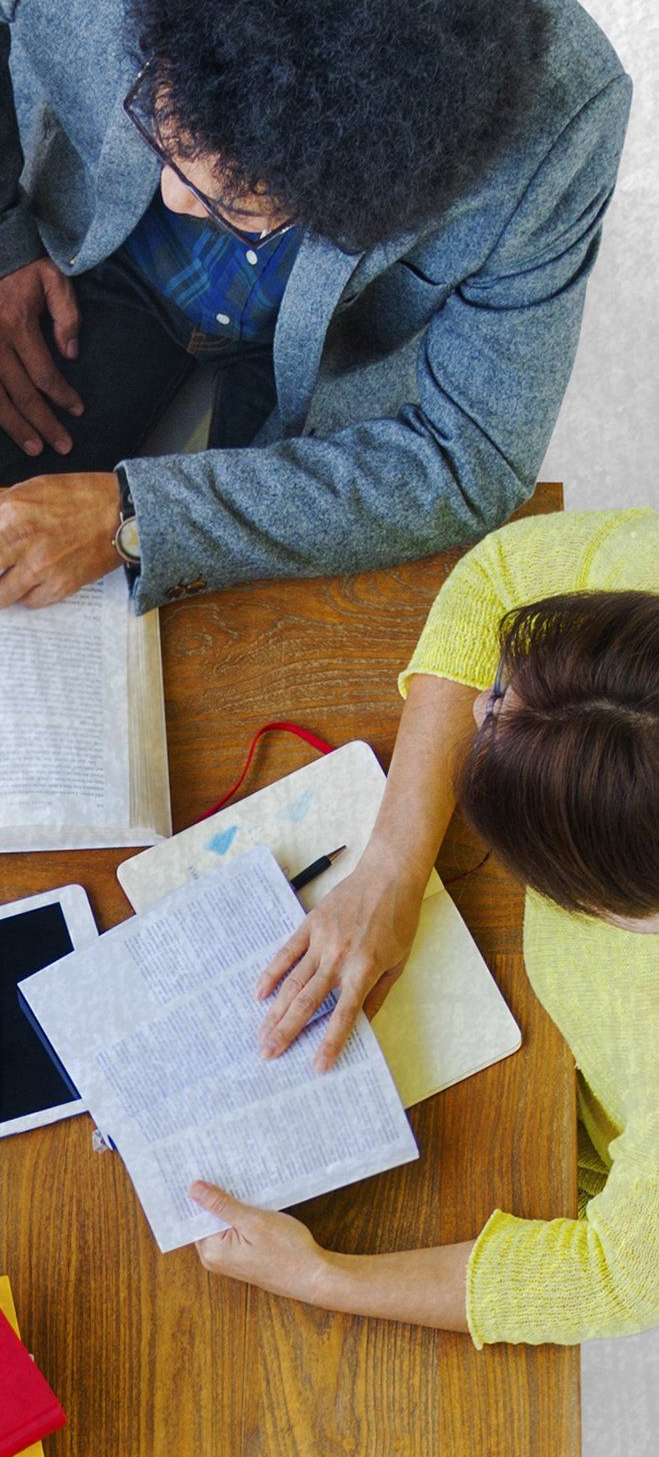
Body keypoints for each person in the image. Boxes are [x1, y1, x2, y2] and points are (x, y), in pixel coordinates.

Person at [0, 0, 629, 615]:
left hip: (339, 360)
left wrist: (138, 520)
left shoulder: (562, 120)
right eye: (160, 124)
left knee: (255, 637)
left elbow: (469, 455)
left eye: (229, 200)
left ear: (357, 197)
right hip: (81, 254)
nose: (170, 195)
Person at [187, 510, 659, 1345]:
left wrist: (319, 1274)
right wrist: (392, 868)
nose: (476, 705)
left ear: (613, 909)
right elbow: (497, 576)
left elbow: (616, 1276)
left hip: (559, 1136)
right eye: (504, 691)